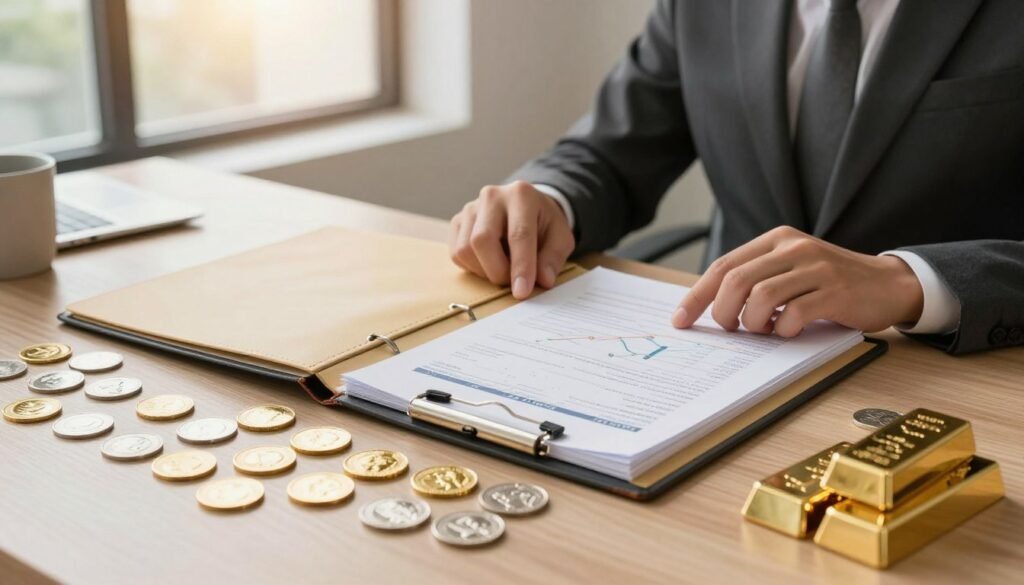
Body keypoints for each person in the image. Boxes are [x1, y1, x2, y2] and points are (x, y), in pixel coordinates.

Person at [448, 0, 1024, 354]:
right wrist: (551, 198)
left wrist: (908, 283)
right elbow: (613, 149)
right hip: (720, 359)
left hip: (942, 378)